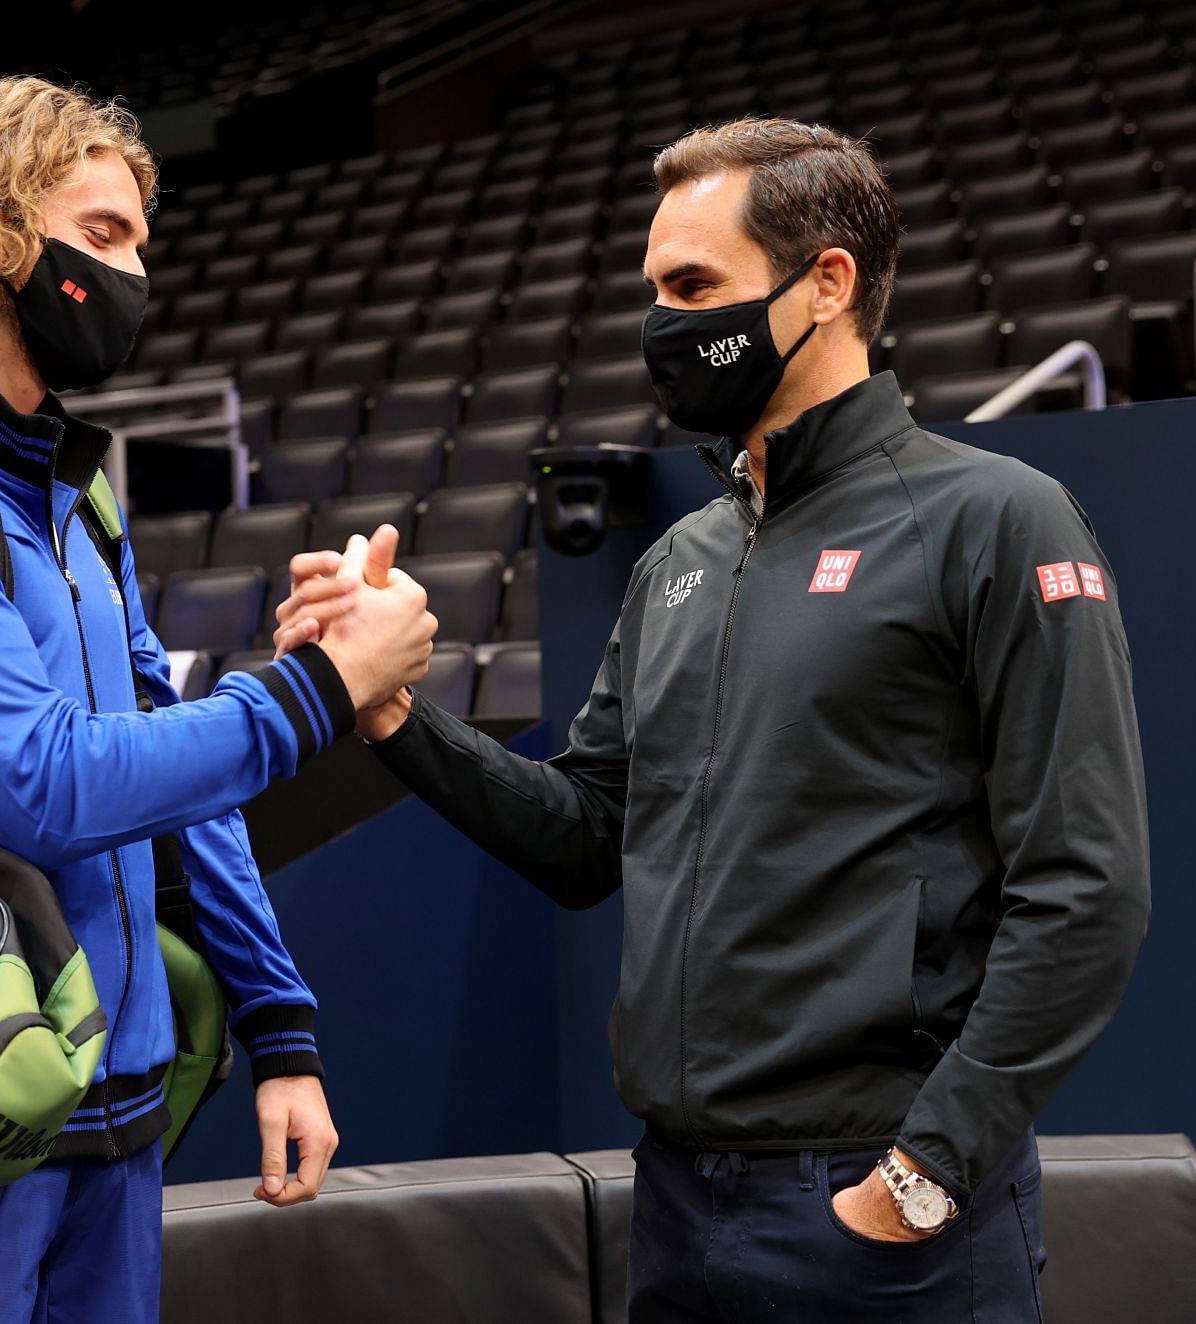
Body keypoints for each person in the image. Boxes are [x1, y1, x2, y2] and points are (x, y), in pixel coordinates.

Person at [276, 118, 1150, 1322]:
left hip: (882, 1211)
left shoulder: (998, 520)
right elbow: (586, 834)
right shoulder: (680, 559)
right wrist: (392, 715)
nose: (662, 325)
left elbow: (1088, 884)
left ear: (827, 285)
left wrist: (927, 1171)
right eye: (654, 291)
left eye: (694, 287)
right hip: (681, 1203)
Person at [0, 76, 435, 1324]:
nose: (138, 273)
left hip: (106, 1112)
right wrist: (321, 690)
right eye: (106, 234)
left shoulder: (79, 488)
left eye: (143, 239)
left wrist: (280, 1026)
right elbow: (50, 784)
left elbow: (172, 779)